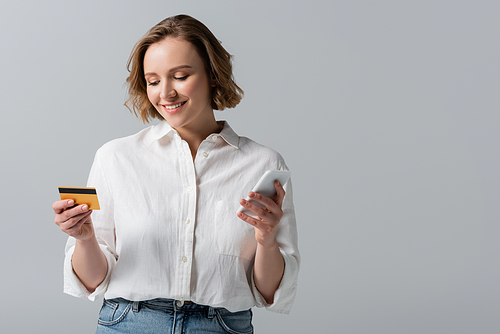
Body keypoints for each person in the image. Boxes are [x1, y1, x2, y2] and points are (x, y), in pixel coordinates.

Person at [53, 14, 299, 333]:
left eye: (180, 76)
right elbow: (91, 281)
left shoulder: (263, 163)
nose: (165, 93)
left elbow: (269, 293)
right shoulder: (115, 158)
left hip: (221, 326)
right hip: (129, 323)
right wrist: (84, 239)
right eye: (153, 81)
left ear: (212, 74)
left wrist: (266, 241)